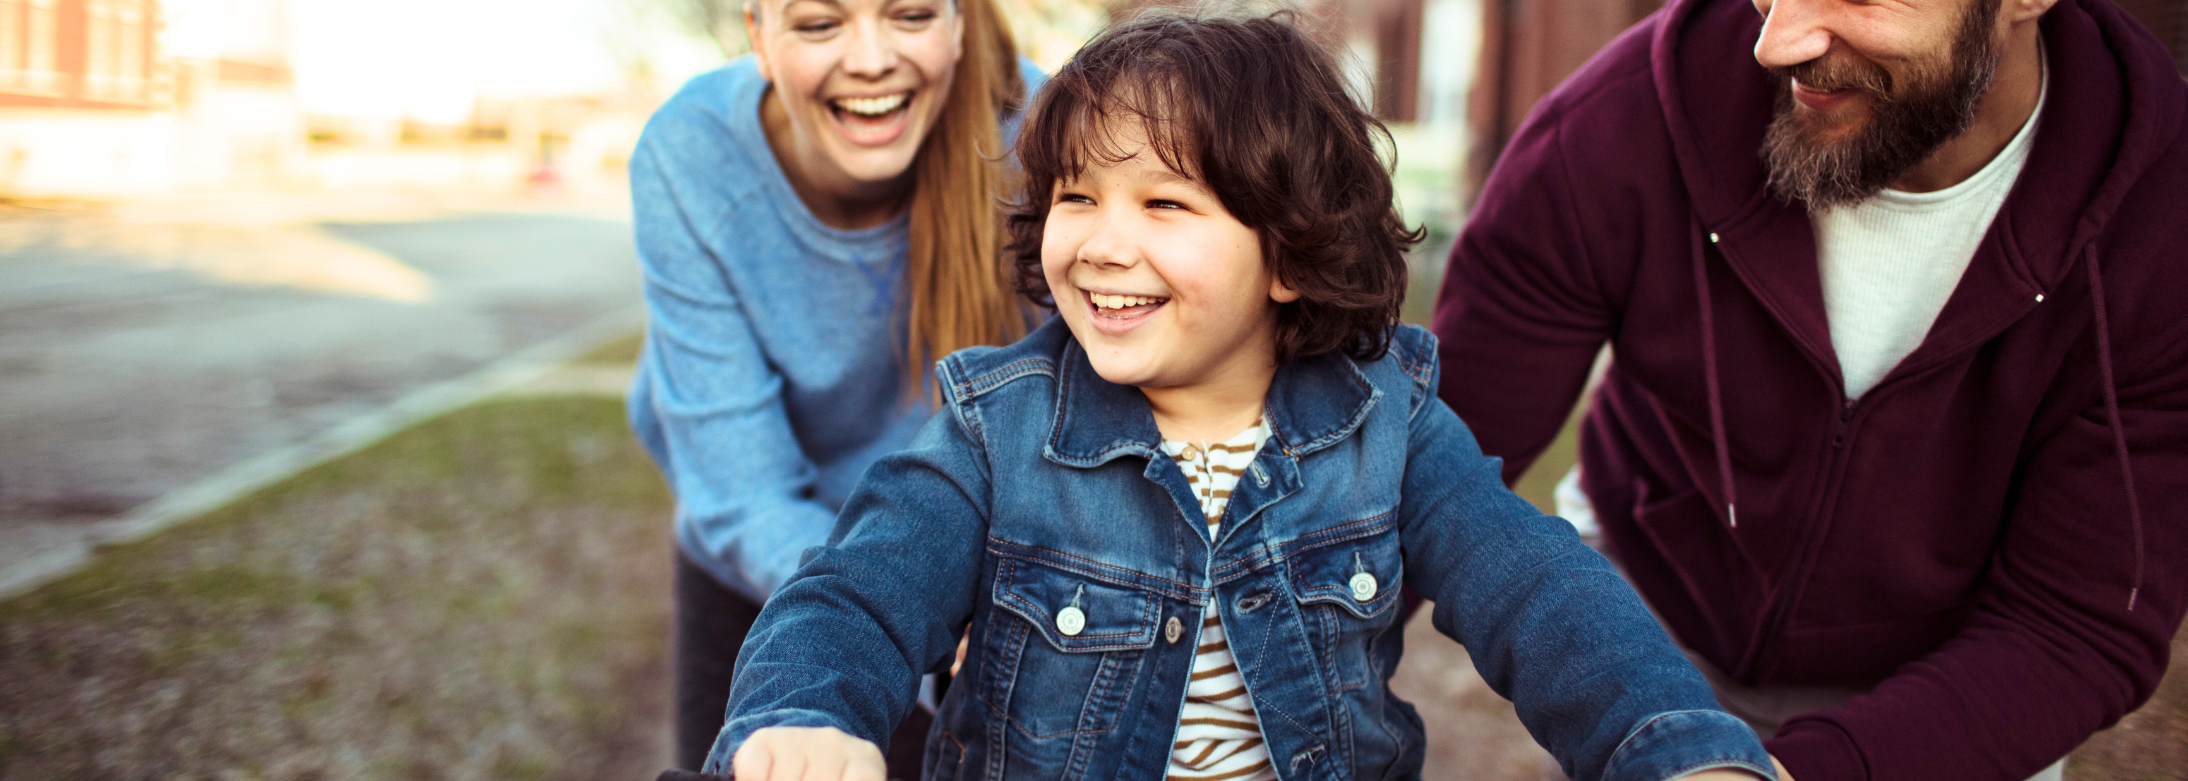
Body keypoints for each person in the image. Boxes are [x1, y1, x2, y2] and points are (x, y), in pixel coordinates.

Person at [703, 15, 1778, 781]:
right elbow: (854, 597)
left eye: (1165, 202)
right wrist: (803, 713)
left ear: (1289, 256)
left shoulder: (1386, 425)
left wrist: (1677, 746)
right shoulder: (998, 427)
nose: (1103, 243)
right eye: (1077, 195)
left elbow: (1540, 595)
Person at [1430, 0, 2188, 777]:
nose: (1774, 42)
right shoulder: (1618, 123)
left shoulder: (2162, 224)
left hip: (1961, 694)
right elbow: (1423, 460)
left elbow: (2076, 622)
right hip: (1651, 623)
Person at [624, 0, 1045, 772]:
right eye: (821, 24)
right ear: (759, 36)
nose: (871, 58)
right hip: (766, 551)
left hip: (958, 571)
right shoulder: (691, 157)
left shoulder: (1036, 137)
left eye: (911, 14)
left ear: (959, 24)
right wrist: (861, 633)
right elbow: (742, 488)